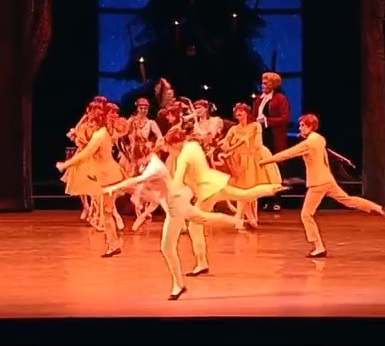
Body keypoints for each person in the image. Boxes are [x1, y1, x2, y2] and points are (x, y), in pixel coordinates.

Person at [104, 128, 265, 300]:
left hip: (175, 206)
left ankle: (178, 285)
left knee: (167, 247)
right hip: (177, 202)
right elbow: (145, 174)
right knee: (203, 218)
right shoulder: (153, 161)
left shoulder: (156, 167)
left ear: (143, 157)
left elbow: (138, 180)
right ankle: (236, 222)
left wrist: (114, 187)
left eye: (137, 160)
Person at [259, 114, 385, 258]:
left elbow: (287, 154)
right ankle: (379, 208)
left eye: (303, 125)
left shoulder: (308, 143)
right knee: (348, 199)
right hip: (327, 179)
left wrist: (264, 161)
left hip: (318, 183)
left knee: (306, 215)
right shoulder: (319, 139)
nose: (300, 128)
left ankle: (319, 247)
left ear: (310, 126)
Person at [172, 127, 285, 276]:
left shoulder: (185, 154)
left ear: (176, 143)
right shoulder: (193, 147)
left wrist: (172, 194)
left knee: (195, 224)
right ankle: (274, 188)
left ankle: (202, 262)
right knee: (243, 194)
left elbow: (178, 179)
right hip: (215, 184)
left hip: (208, 191)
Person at [57, 114, 129, 257]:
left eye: (91, 122)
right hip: (107, 174)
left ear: (98, 122)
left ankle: (113, 244)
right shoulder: (104, 133)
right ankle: (113, 244)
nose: (89, 125)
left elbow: (85, 154)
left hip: (108, 176)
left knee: (107, 212)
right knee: (106, 212)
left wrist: (65, 164)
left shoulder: (99, 135)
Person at [218, 103, 282, 228]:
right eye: (237, 111)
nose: (239, 113)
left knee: (251, 189)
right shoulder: (234, 129)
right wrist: (224, 146)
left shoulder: (255, 126)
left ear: (247, 113)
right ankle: (246, 218)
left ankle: (252, 218)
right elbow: (226, 142)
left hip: (253, 158)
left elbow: (257, 144)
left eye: (241, 111)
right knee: (242, 189)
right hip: (239, 160)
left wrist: (253, 140)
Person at [253, 72, 291, 151]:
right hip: (259, 135)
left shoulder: (281, 99)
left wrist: (266, 121)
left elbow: (285, 119)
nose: (262, 85)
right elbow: (254, 116)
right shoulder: (259, 99)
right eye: (262, 83)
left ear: (272, 85)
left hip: (274, 136)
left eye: (265, 83)